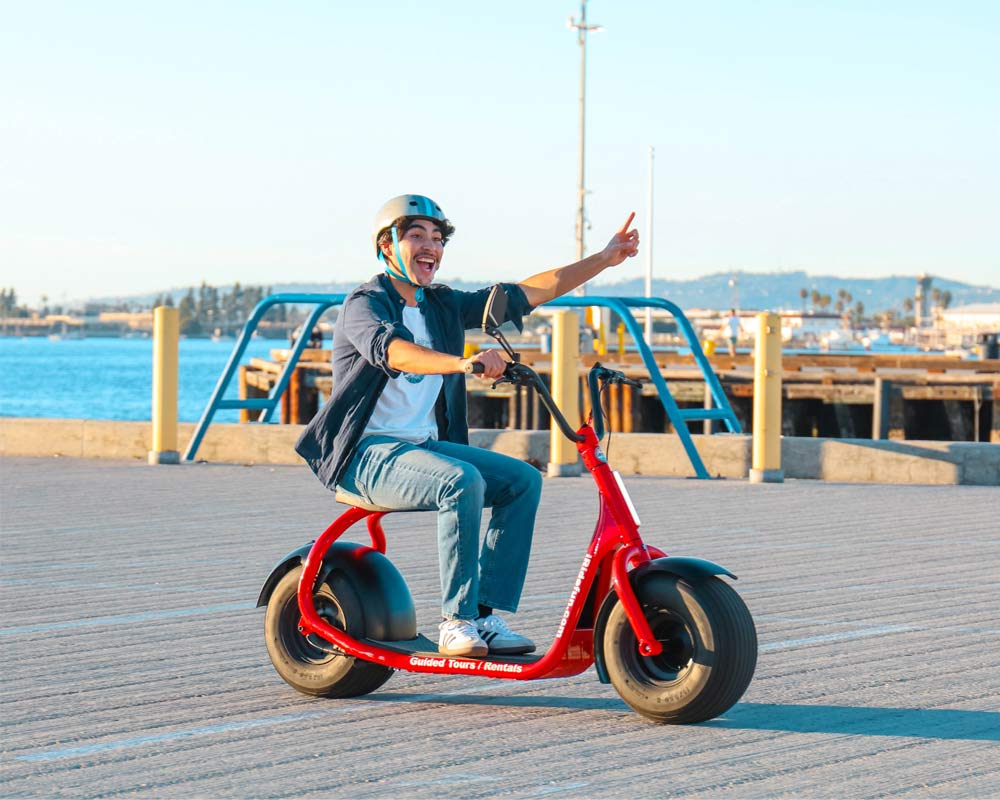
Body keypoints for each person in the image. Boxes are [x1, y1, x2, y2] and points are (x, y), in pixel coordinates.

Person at [295, 194, 639, 658]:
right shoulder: (364, 303)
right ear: (386, 246)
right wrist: (461, 364)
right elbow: (394, 352)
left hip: (422, 448)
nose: (429, 246)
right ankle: (456, 622)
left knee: (521, 480)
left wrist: (603, 258)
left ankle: (483, 614)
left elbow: (528, 292)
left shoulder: (441, 305)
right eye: (416, 235)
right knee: (460, 482)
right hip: (364, 454)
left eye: (437, 238)